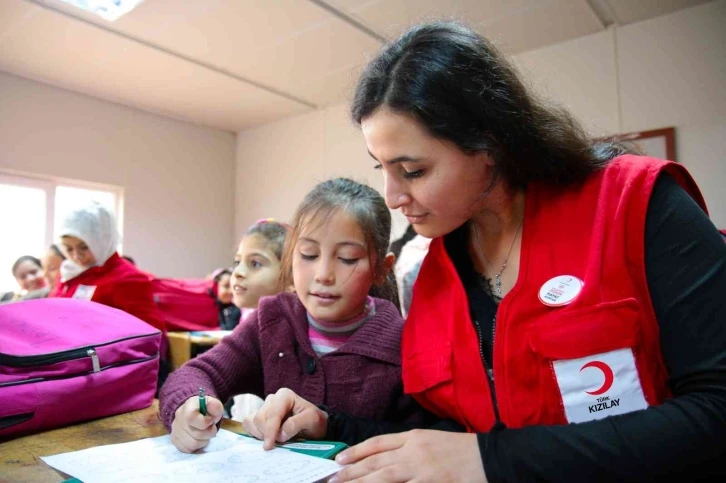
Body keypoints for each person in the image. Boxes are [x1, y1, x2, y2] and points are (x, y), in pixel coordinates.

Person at [243, 22, 726, 482]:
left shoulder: (635, 204)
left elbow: (715, 408)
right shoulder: (434, 280)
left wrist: (495, 461)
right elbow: (452, 448)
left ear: (490, 143)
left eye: (412, 171)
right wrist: (333, 426)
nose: (391, 196)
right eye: (382, 168)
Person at [159, 178, 420, 454]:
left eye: (347, 258)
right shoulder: (273, 321)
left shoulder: (402, 344)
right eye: (308, 254)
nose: (323, 275)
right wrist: (188, 406)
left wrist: (331, 425)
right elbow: (197, 373)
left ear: (381, 268)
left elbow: (425, 439)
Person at [50, 202, 165, 333]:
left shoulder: (128, 279)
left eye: (84, 247)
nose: (76, 256)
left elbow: (151, 335)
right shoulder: (70, 273)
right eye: (69, 249)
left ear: (102, 241)